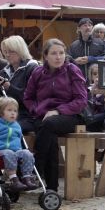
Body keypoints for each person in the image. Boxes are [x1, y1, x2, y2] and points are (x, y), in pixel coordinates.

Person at [24, 39, 87, 192]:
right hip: (43, 117)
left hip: (70, 116)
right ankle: (52, 189)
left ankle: (35, 169)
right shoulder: (38, 72)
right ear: (45, 56)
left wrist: (58, 110)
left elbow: (81, 100)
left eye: (61, 53)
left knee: (48, 125)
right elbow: (28, 98)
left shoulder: (72, 70)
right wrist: (38, 110)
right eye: (53, 53)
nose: (58, 57)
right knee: (49, 136)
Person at [0, 96, 38, 192]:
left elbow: (19, 138)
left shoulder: (16, 125)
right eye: (9, 110)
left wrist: (20, 149)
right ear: (0, 111)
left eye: (15, 111)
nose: (13, 113)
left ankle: (26, 177)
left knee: (27, 153)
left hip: (15, 151)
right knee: (9, 153)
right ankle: (13, 178)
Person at [0, 36, 39, 133]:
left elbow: (30, 97)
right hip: (7, 115)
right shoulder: (4, 71)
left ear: (20, 51)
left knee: (6, 130)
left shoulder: (32, 68)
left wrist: (9, 87)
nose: (7, 55)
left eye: (11, 52)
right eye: (5, 52)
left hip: (28, 116)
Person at [84, 63, 105, 132]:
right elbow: (88, 103)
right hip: (93, 114)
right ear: (91, 77)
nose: (97, 75)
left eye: (100, 73)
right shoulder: (89, 89)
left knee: (91, 120)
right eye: (95, 74)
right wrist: (93, 89)